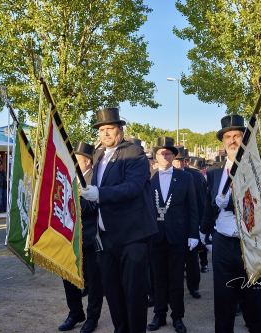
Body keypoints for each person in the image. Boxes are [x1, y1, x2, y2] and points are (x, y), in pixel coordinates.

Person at [80, 107, 157, 333]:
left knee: (133, 295)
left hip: (133, 237)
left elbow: (132, 188)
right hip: (106, 238)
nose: (105, 134)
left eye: (109, 129)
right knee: (112, 293)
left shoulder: (134, 153)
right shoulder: (98, 155)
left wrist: (100, 194)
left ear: (120, 130)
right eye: (101, 130)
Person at [201, 115, 261, 333]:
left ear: (245, 140)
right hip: (223, 244)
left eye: (237, 136)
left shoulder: (260, 170)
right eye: (228, 137)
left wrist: (231, 202)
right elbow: (208, 205)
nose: (232, 140)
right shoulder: (214, 173)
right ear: (223, 142)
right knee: (223, 304)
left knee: (255, 305)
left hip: (252, 243)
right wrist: (203, 232)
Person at [147, 137, 199, 333]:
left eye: (168, 152)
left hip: (178, 236)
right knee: (158, 278)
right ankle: (159, 315)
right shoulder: (148, 178)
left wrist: (194, 234)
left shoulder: (185, 178)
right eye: (161, 152)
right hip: (155, 235)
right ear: (156, 156)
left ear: (173, 156)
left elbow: (192, 207)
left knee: (176, 279)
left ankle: (177, 317)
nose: (165, 155)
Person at [58, 142, 103, 333]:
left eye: (76, 159)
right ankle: (75, 312)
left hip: (90, 238)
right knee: (68, 276)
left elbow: (94, 206)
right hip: (69, 237)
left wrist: (73, 202)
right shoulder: (68, 178)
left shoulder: (95, 179)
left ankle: (92, 317)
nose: (73, 162)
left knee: (93, 281)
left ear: (87, 162)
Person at [173, 148, 204, 298]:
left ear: (186, 161)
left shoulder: (196, 176)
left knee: (191, 259)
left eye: (181, 160)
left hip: (191, 223)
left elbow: (200, 202)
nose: (179, 163)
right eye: (176, 160)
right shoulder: (166, 175)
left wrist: (200, 225)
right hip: (174, 226)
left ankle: (194, 286)